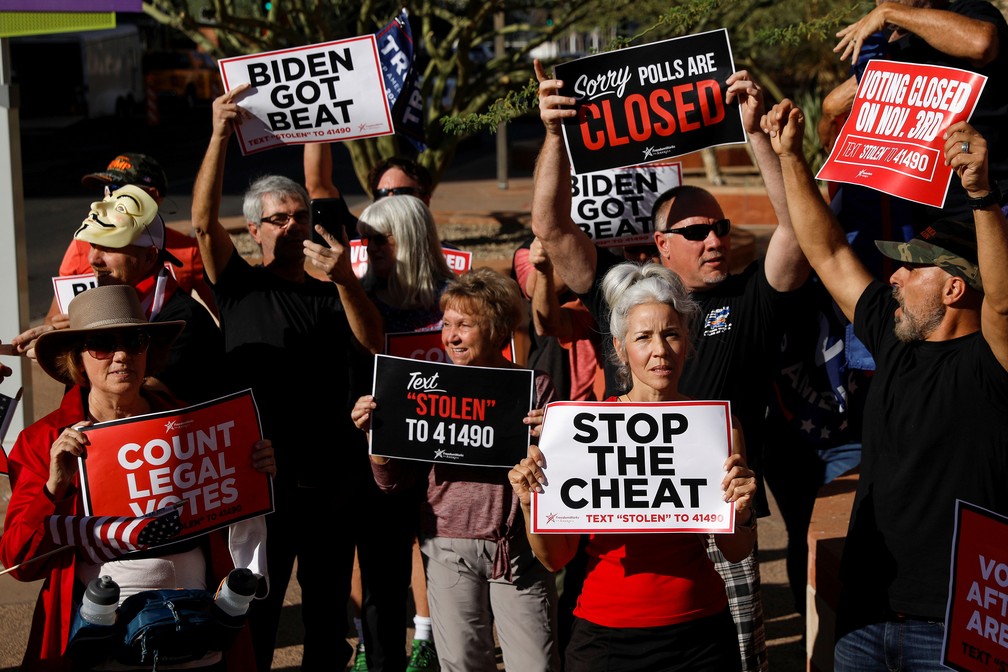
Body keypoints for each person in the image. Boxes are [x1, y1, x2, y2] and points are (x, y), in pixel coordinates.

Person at [530, 59, 810, 672]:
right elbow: (550, 227)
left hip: (713, 548)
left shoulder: (750, 298)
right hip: (612, 579)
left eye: (722, 228)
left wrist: (755, 134)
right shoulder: (617, 293)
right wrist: (554, 136)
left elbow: (799, 227)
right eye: (697, 230)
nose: (715, 239)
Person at [767, 98, 1008, 670]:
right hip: (865, 615)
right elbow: (826, 251)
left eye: (912, 265)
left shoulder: (993, 363)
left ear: (954, 289)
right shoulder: (894, 340)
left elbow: (1001, 301)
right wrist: (790, 159)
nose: (893, 275)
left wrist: (981, 197)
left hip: (955, 626)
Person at [192, 83, 384, 672]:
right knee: (257, 615)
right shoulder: (242, 283)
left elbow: (374, 342)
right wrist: (221, 133)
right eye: (277, 219)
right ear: (255, 231)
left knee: (327, 620)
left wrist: (347, 282)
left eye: (299, 215)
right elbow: (201, 223)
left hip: (333, 480)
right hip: (263, 482)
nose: (292, 226)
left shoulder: (335, 290)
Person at [0, 284, 276, 672]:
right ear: (78, 360)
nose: (121, 356)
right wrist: (54, 486)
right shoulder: (43, 441)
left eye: (134, 340)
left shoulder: (192, 424)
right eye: (101, 344)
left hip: (200, 633)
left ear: (149, 351)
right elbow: (20, 562)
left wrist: (253, 472)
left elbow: (233, 516)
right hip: (101, 640)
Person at [508, 261, 758, 671]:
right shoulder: (581, 430)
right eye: (644, 337)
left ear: (687, 341)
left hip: (700, 634)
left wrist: (742, 513)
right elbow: (555, 559)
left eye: (671, 334)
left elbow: (735, 550)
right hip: (606, 636)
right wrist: (531, 505)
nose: (660, 350)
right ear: (621, 349)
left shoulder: (718, 427)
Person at [352, 267, 561, 672]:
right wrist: (376, 442)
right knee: (462, 663)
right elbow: (393, 483)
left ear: (499, 329)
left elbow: (561, 480)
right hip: (448, 548)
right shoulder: (422, 387)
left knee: (536, 663)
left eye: (465, 325)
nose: (451, 336)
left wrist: (553, 439)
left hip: (518, 550)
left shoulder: (535, 388)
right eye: (447, 324)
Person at [353, 194, 455, 672]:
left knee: (455, 583)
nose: (369, 245)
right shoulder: (361, 301)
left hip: (451, 467)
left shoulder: (456, 299)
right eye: (365, 237)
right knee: (383, 585)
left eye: (381, 237)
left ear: (411, 238)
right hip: (386, 471)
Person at [12, 184, 225, 405]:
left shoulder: (184, 321)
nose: (93, 259)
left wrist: (71, 348)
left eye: (109, 247)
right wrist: (64, 341)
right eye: (93, 245)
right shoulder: (107, 306)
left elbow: (131, 400)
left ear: (150, 258)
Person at [831, 0, 1008, 220]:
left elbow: (981, 43)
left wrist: (890, 12)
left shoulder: (967, 12)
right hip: (908, 221)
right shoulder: (877, 43)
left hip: (981, 209)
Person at [47, 152, 219, 325]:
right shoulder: (81, 244)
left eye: (118, 191)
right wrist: (64, 333)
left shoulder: (188, 251)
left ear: (152, 195)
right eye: (105, 189)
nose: (108, 198)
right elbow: (52, 321)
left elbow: (224, 314)